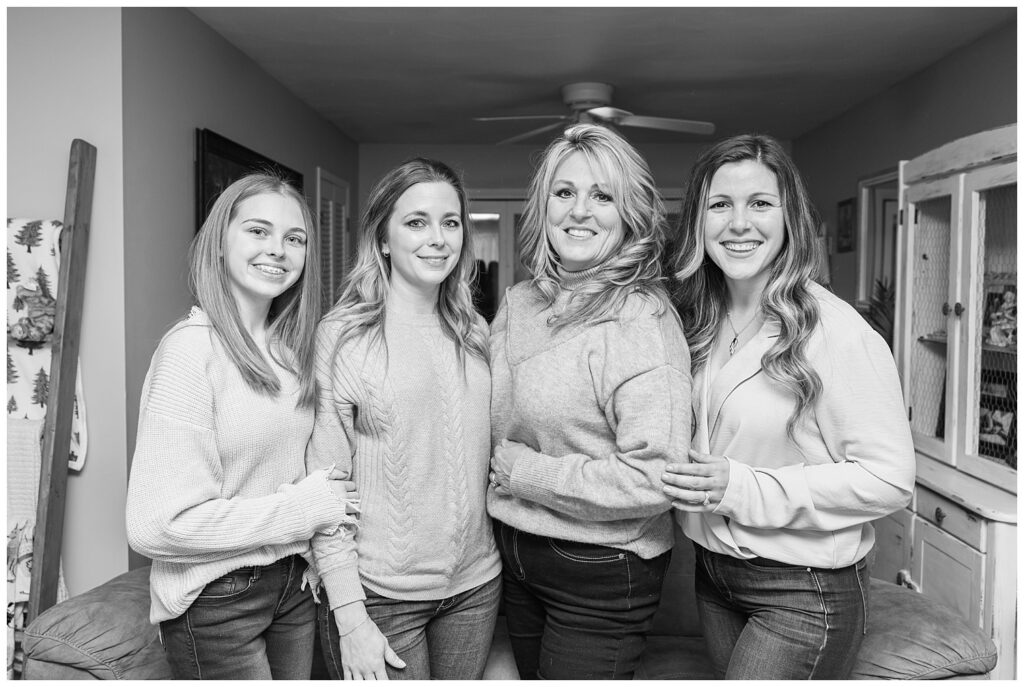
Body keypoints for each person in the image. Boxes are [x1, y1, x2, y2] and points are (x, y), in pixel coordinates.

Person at [661, 134, 916, 679]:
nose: (738, 223)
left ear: (789, 218)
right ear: (698, 221)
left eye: (760, 203)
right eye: (719, 205)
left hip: (803, 589)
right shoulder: (694, 322)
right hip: (714, 576)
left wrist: (742, 487)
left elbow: (890, 478)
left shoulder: (837, 332)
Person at [125, 173, 357, 679]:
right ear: (220, 242)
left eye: (294, 239)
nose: (277, 250)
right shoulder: (189, 352)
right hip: (219, 601)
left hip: (295, 586)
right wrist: (299, 510)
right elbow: (155, 525)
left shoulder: (290, 354)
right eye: (258, 231)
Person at [487, 123, 692, 680]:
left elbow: (656, 478)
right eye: (564, 192)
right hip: (516, 553)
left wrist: (524, 473)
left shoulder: (640, 319)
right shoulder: (519, 303)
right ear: (543, 206)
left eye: (603, 196)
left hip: (601, 567)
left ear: (630, 215)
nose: (580, 211)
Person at [307, 158, 501, 680]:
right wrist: (349, 616)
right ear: (384, 239)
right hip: (380, 596)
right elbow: (324, 490)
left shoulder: (475, 332)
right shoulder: (344, 338)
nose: (438, 238)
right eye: (416, 222)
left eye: (451, 222)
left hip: (476, 588)